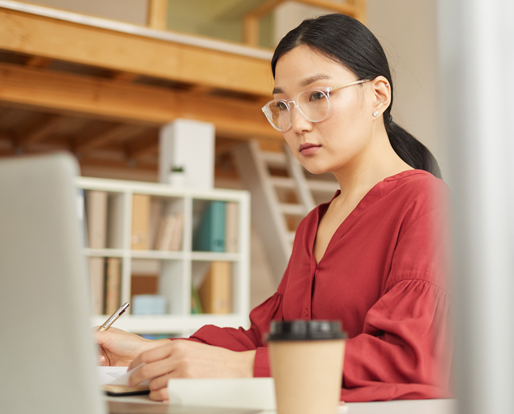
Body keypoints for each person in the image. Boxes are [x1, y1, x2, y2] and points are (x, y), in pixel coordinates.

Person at [96, 13, 451, 402]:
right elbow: (261, 339)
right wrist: (146, 351)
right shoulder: (313, 226)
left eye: (317, 95)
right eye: (282, 105)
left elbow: (405, 357)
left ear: (378, 96)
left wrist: (236, 368)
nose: (296, 123)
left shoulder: (425, 204)